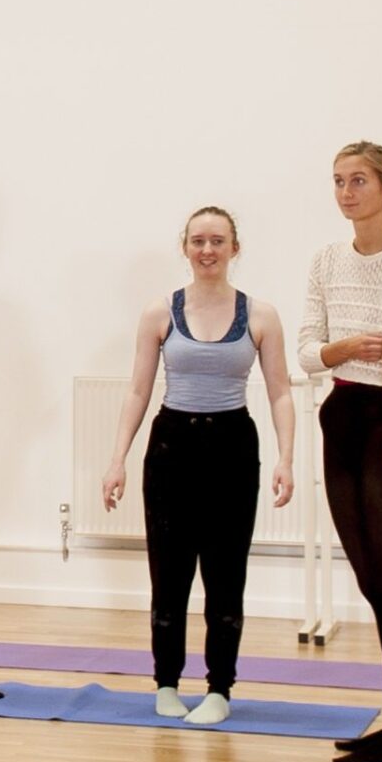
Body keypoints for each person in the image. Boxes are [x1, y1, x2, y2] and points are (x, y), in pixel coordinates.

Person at [100, 206, 295, 725]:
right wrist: (117, 458)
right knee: (170, 575)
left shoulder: (260, 315)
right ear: (184, 247)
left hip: (231, 447)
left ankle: (219, 689)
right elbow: (139, 388)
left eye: (218, 241)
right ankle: (166, 682)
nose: (207, 250)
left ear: (235, 248)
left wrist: (287, 458)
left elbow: (279, 392)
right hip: (171, 449)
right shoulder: (159, 312)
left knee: (226, 575)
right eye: (198, 241)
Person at [298, 140, 382, 762]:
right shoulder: (326, 261)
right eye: (337, 181)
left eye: (358, 180)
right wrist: (345, 346)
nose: (346, 192)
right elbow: (306, 349)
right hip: (340, 416)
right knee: (371, 579)